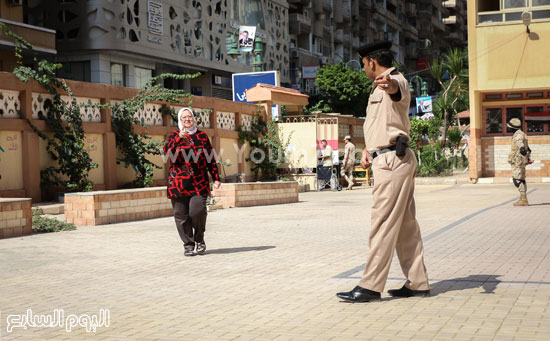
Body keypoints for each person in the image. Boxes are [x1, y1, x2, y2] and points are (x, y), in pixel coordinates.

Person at [336, 41, 430, 303]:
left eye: (363, 64)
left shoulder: (393, 80)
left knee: (383, 223)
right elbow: (384, 122)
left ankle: (370, 286)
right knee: (405, 227)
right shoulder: (378, 85)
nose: (364, 69)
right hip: (389, 157)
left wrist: (388, 84)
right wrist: (368, 149)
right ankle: (418, 283)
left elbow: (397, 91)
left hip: (392, 162)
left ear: (371, 62)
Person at [164, 108, 221, 257]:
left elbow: (210, 158)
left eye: (190, 117)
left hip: (198, 182)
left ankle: (199, 239)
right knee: (181, 215)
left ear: (194, 119)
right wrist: (178, 139)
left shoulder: (202, 136)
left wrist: (215, 177)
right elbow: (167, 152)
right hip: (178, 183)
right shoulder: (173, 136)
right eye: (184, 118)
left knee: (197, 211)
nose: (187, 120)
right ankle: (188, 245)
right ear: (179, 120)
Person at [507, 118, 533, 206]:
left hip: (518, 161)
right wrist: (527, 159)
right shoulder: (522, 134)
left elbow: (522, 148)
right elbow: (528, 148)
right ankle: (523, 198)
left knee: (517, 179)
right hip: (521, 161)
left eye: (510, 127)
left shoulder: (517, 136)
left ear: (513, 128)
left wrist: (524, 155)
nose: (509, 129)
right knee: (521, 178)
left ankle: (523, 199)